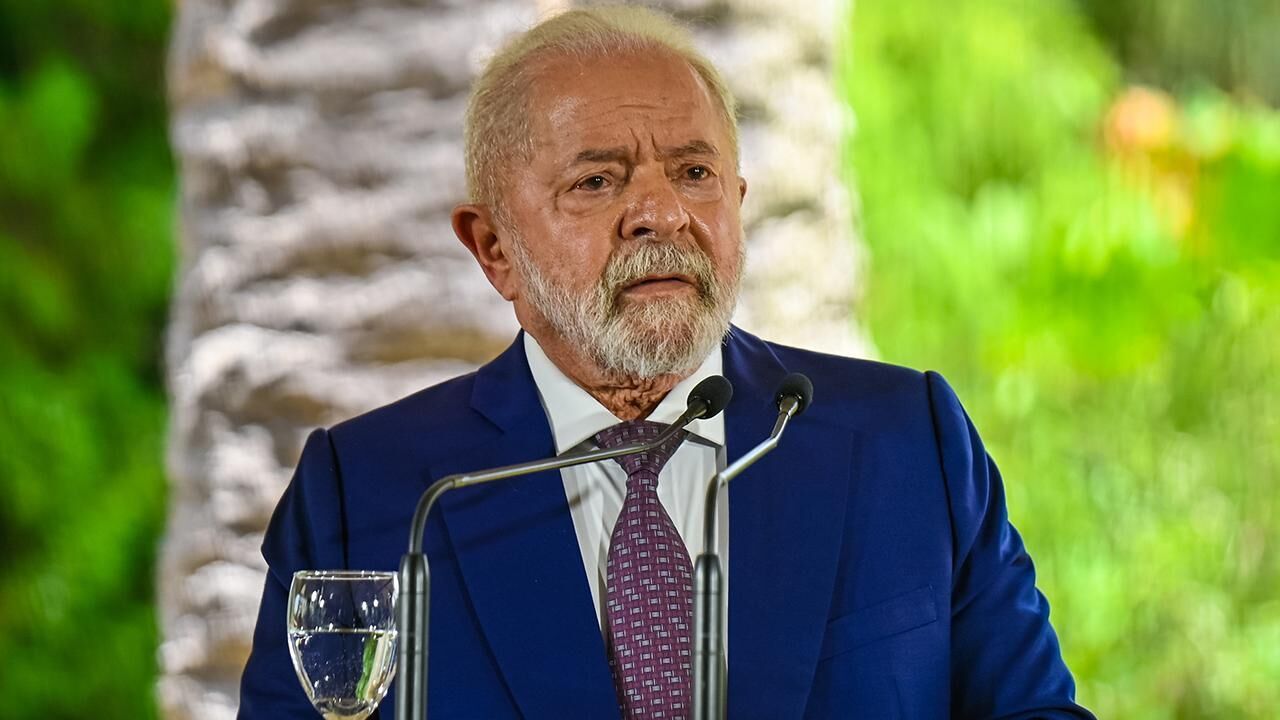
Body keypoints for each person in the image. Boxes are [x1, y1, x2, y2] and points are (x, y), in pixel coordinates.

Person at [238, 6, 1093, 719]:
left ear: (737, 204)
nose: (661, 213)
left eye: (693, 172)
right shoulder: (368, 494)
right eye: (597, 182)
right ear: (494, 248)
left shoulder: (906, 443)